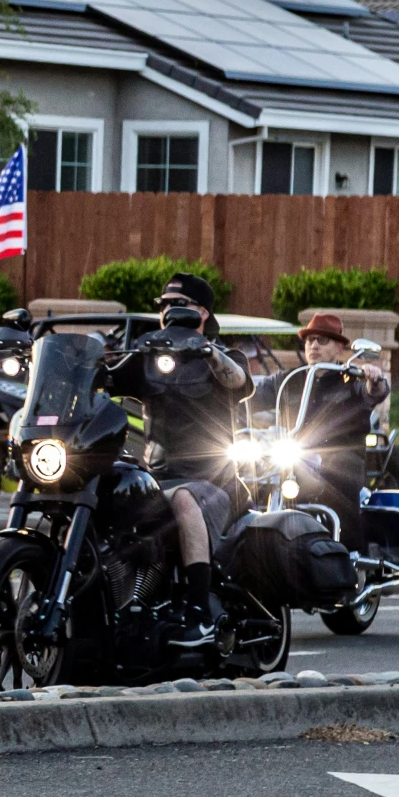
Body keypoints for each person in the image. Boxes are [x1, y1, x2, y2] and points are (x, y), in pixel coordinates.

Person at [103, 272, 249, 648]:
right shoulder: (150, 356)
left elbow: (240, 382)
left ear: (201, 312)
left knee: (182, 497)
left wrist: (209, 352)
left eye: (177, 305)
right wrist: (85, 365)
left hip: (214, 482)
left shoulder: (221, 357)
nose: (168, 311)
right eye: (164, 305)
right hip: (158, 478)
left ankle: (199, 613)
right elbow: (108, 380)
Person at [262, 312, 391, 543]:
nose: (314, 345)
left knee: (338, 479)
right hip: (296, 457)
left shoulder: (351, 380)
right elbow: (248, 395)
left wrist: (375, 378)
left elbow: (375, 393)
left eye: (323, 340)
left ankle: (349, 556)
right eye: (310, 340)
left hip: (340, 457)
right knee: (250, 477)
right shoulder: (289, 380)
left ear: (339, 348)